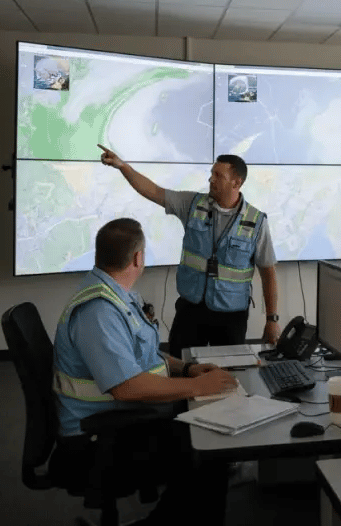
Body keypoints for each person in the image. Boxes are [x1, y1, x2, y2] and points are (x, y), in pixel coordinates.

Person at [52, 218, 238, 524]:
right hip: (98, 437)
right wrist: (199, 388)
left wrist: (187, 369)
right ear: (138, 258)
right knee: (208, 448)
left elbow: (144, 355)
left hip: (120, 418)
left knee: (204, 434)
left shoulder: (118, 295)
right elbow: (127, 387)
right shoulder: (99, 311)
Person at [98, 145, 281, 357]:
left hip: (232, 316)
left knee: (231, 374)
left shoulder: (256, 222)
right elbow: (155, 192)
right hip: (191, 310)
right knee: (180, 367)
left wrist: (272, 319)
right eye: (211, 173)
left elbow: (269, 274)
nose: (211, 179)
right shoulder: (193, 205)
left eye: (218, 175)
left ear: (236, 182)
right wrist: (122, 167)